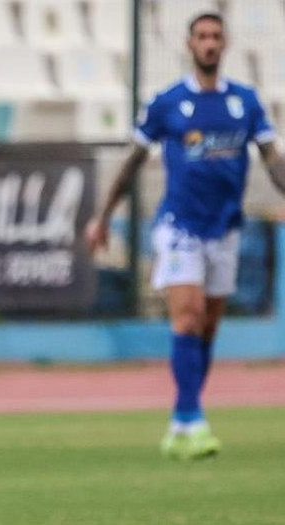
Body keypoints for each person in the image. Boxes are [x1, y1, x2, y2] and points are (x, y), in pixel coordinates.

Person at [87, 12, 285, 461]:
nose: (210, 44)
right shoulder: (168, 103)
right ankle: (193, 419)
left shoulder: (245, 102)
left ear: (226, 43)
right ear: (190, 43)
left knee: (209, 327)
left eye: (216, 37)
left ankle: (182, 420)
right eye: (202, 37)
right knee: (188, 317)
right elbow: (132, 161)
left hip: (225, 228)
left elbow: (273, 158)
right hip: (179, 226)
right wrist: (102, 216)